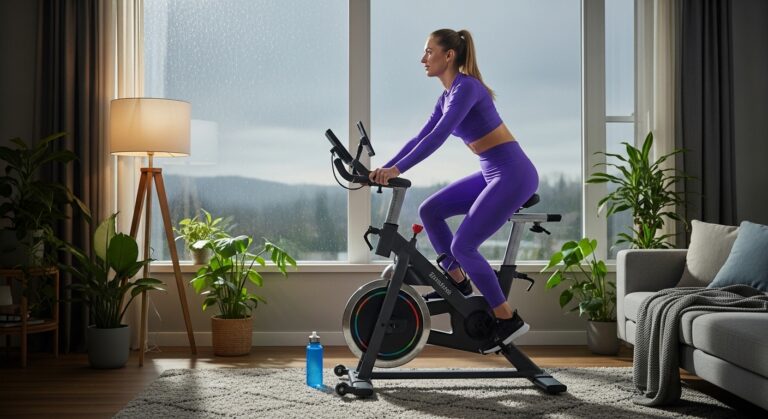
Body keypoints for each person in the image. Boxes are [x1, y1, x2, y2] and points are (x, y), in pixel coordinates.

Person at [369, 28, 539, 353]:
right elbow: (419, 138)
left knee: (464, 245)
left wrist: (398, 170)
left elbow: (439, 136)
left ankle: (507, 318)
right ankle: (457, 280)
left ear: (449, 55)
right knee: (429, 211)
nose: (423, 59)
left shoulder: (467, 88)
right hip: (491, 171)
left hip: (514, 173)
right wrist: (380, 171)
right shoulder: (446, 95)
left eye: (429, 51)